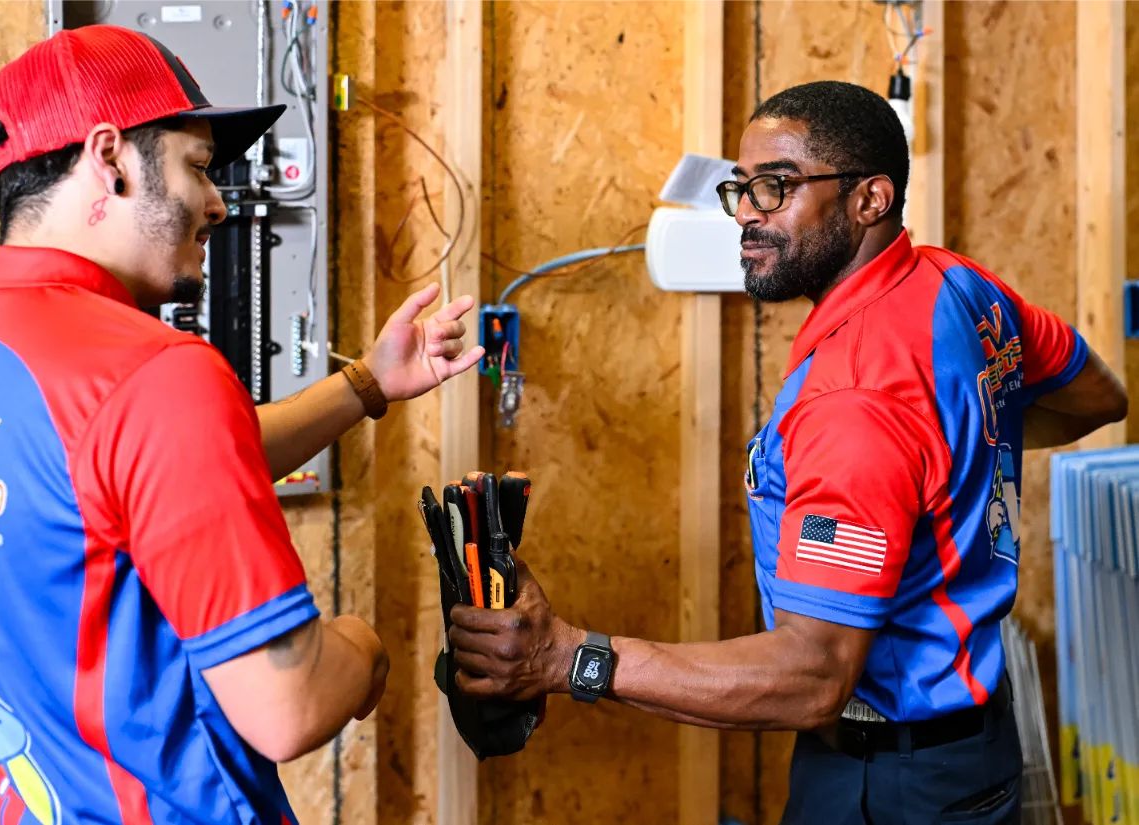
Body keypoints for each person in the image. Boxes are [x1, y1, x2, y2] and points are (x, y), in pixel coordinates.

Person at [447, 80, 1128, 824]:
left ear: (870, 198)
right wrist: (955, 445)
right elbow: (1098, 394)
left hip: (891, 785)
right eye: (739, 188)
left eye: (774, 187)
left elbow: (814, 675)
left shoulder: (854, 402)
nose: (745, 212)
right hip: (974, 756)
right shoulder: (958, 285)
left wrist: (568, 656)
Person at [0, 24, 482, 825]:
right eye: (199, 167)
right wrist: (364, 649)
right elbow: (288, 705)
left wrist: (364, 385)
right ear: (108, 159)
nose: (217, 202)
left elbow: (138, 482)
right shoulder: (155, 375)